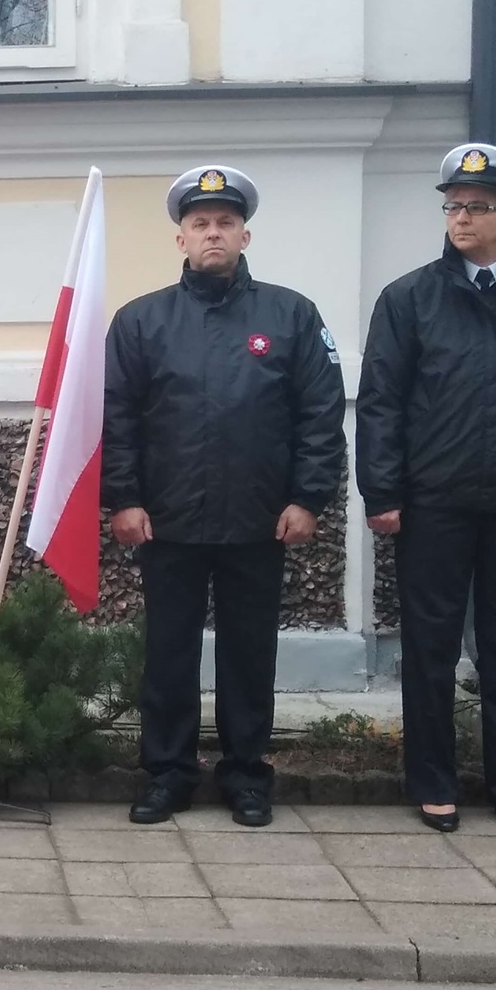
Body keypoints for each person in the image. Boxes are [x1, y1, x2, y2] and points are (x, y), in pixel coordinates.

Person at [105, 167, 347, 827]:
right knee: (169, 656)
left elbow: (320, 416)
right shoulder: (140, 321)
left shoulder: (291, 315)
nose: (213, 233)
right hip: (169, 521)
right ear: (180, 239)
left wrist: (309, 498)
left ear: (245, 234)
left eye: (224, 223)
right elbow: (118, 419)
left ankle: (246, 777)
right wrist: (123, 498)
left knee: (249, 655)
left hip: (259, 520)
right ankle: (168, 775)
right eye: (199, 223)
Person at [357, 142, 496, 834]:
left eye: (477, 208)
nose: (461, 218)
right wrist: (383, 494)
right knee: (430, 647)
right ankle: (433, 780)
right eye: (454, 206)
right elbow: (380, 403)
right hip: (434, 502)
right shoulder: (409, 299)